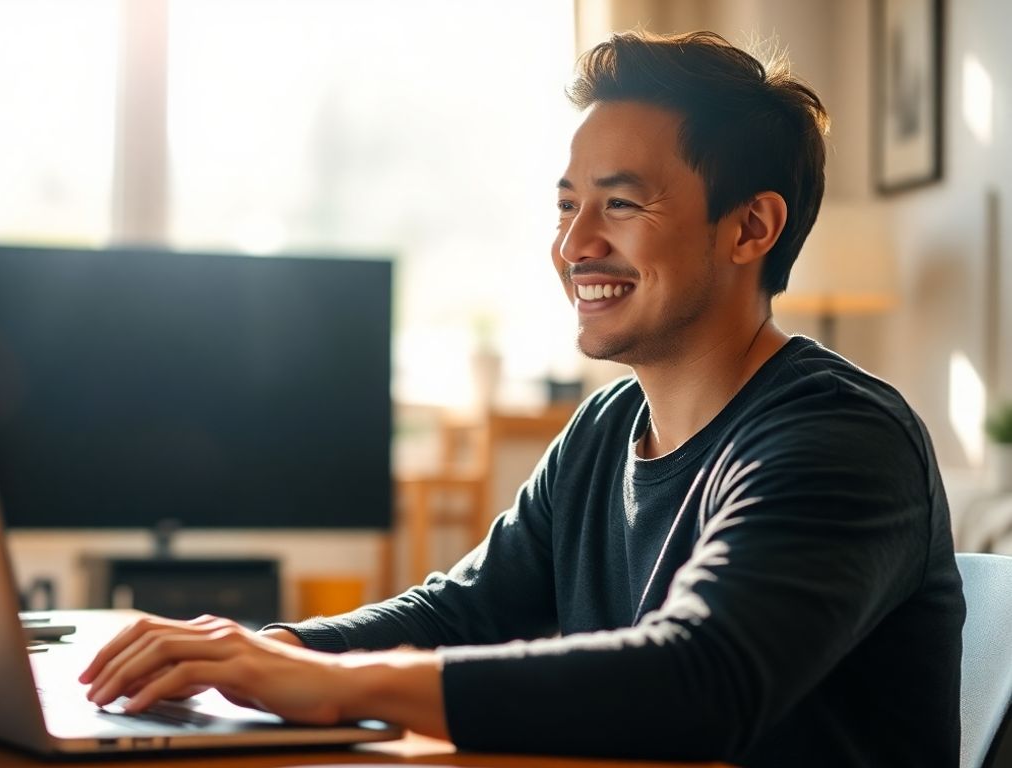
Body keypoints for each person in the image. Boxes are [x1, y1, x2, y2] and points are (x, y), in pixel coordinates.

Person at [78, 30, 964, 767]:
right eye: (567, 206)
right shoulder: (606, 428)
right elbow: (461, 612)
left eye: (620, 205)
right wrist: (273, 650)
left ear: (751, 227)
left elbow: (700, 682)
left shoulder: (842, 438)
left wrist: (330, 685)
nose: (574, 245)